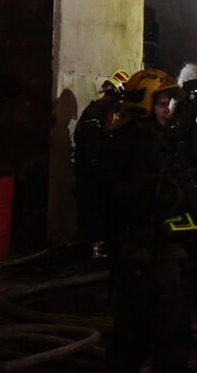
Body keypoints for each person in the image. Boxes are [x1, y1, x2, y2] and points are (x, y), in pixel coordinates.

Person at [104, 68, 194, 372]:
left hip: (141, 255)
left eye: (168, 103)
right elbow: (147, 197)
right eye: (161, 104)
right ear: (143, 104)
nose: (167, 111)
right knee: (172, 335)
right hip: (149, 254)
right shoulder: (137, 145)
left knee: (132, 337)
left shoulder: (142, 140)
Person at [73, 70, 129, 258]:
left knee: (90, 208)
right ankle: (105, 249)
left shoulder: (91, 108)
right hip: (103, 169)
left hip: (85, 168)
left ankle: (93, 247)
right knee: (107, 207)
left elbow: (78, 136)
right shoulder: (115, 110)